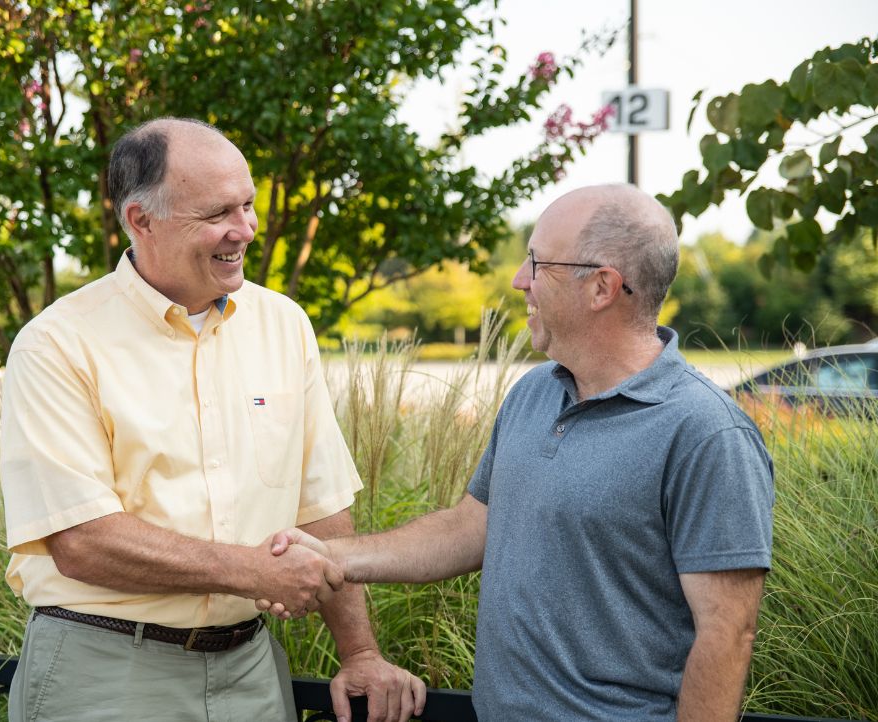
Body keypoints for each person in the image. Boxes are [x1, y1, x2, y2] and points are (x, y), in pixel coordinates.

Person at [263, 184, 775, 721]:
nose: (519, 280)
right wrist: (332, 556)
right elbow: (472, 528)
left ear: (602, 286)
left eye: (538, 262)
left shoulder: (707, 433)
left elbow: (727, 635)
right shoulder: (535, 393)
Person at [0, 117, 425, 722]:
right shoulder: (57, 344)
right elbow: (82, 541)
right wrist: (253, 571)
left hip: (251, 671)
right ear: (140, 220)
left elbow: (321, 507)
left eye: (249, 205)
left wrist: (360, 652)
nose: (245, 229)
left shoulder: (284, 324)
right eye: (217, 213)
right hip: (105, 676)